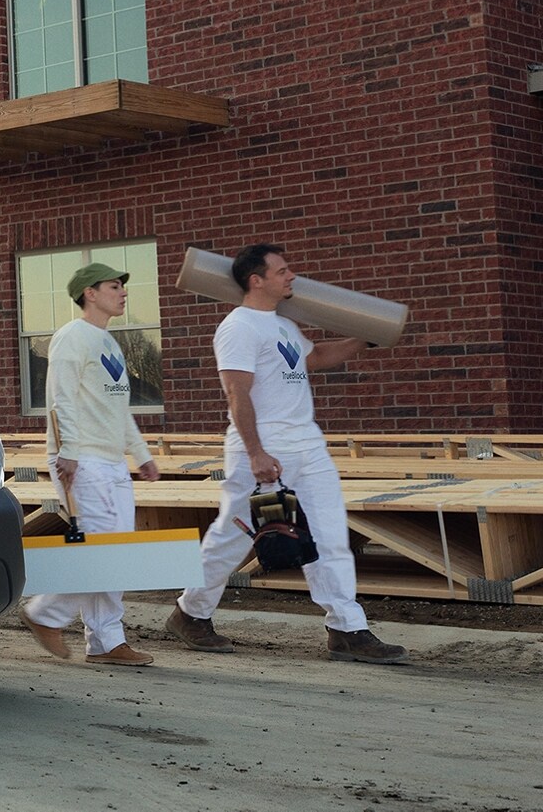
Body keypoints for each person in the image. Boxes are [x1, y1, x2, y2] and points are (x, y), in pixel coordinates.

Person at [166, 243, 408, 664]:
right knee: (232, 535)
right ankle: (190, 613)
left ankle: (346, 628)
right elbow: (236, 392)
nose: (291, 276)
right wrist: (257, 452)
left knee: (331, 537)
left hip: (307, 445)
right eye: (282, 270)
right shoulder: (238, 327)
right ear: (256, 280)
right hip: (261, 448)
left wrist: (364, 338)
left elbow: (315, 358)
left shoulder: (282, 325)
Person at [20, 262, 161, 666]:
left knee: (116, 553)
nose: (123, 292)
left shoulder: (110, 344)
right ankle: (44, 613)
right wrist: (68, 454)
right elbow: (59, 399)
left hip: (111, 458)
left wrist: (142, 455)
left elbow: (119, 410)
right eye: (114, 286)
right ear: (90, 293)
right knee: (100, 551)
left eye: (122, 286)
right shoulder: (71, 337)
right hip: (79, 458)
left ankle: (106, 642)